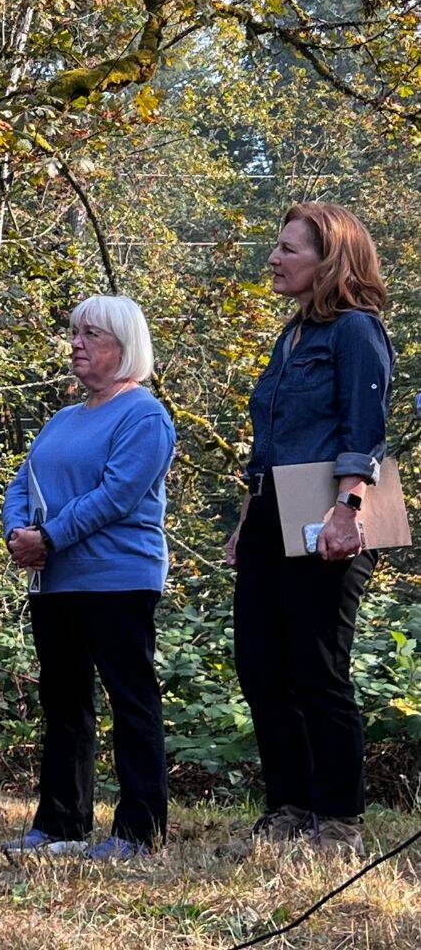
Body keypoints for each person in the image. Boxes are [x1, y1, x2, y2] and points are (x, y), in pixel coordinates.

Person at [222, 203, 393, 858]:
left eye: (289, 249)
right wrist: (246, 521)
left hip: (330, 510)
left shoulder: (355, 331)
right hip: (272, 508)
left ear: (331, 261)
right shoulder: (290, 337)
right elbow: (268, 444)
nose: (275, 257)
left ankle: (339, 821)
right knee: (261, 666)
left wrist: (348, 508)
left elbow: (365, 429)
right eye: (278, 246)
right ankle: (288, 808)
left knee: (317, 670)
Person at [0, 294, 175, 861]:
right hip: (56, 582)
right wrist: (17, 534)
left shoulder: (145, 415)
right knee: (64, 703)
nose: (76, 343)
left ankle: (138, 832)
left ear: (126, 347)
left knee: (132, 702)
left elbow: (117, 496)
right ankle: (59, 823)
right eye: (75, 333)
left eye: (91, 335)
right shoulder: (62, 419)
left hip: (119, 579)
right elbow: (22, 485)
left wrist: (48, 537)